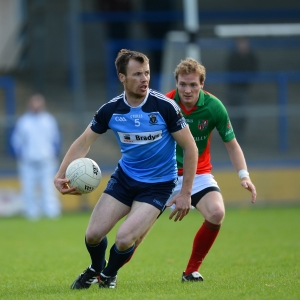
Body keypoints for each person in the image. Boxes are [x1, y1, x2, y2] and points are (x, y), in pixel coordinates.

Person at [54, 49, 198, 289]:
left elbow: (190, 148)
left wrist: (185, 192)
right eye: (137, 74)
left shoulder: (165, 107)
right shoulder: (111, 110)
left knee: (124, 239)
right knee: (92, 235)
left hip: (159, 184)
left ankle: (108, 275)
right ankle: (95, 268)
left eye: (147, 73)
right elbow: (83, 142)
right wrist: (60, 175)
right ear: (122, 77)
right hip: (125, 179)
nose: (145, 79)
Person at [133, 58, 257, 282]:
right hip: (164, 174)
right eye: (183, 84)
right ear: (176, 84)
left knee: (217, 213)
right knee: (134, 236)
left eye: (193, 85)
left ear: (202, 85)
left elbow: (232, 145)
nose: (187, 90)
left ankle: (190, 271)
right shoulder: (164, 103)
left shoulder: (214, 107)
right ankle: (106, 273)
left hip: (198, 174)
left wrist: (244, 175)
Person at [10, 94, 62, 220]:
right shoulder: (23, 121)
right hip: (28, 161)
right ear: (30, 104)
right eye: (34, 103)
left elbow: (56, 139)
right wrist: (21, 155)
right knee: (28, 189)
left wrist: (54, 153)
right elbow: (15, 141)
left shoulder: (49, 120)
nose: (36, 106)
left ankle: (52, 212)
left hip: (46, 160)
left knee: (49, 188)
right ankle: (31, 213)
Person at [226, 37, 259, 144]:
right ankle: (232, 137)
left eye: (244, 43)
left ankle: (239, 137)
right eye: (240, 44)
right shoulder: (233, 57)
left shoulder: (251, 57)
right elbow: (229, 69)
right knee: (233, 114)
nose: (242, 46)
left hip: (244, 90)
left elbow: (254, 70)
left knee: (242, 114)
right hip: (233, 89)